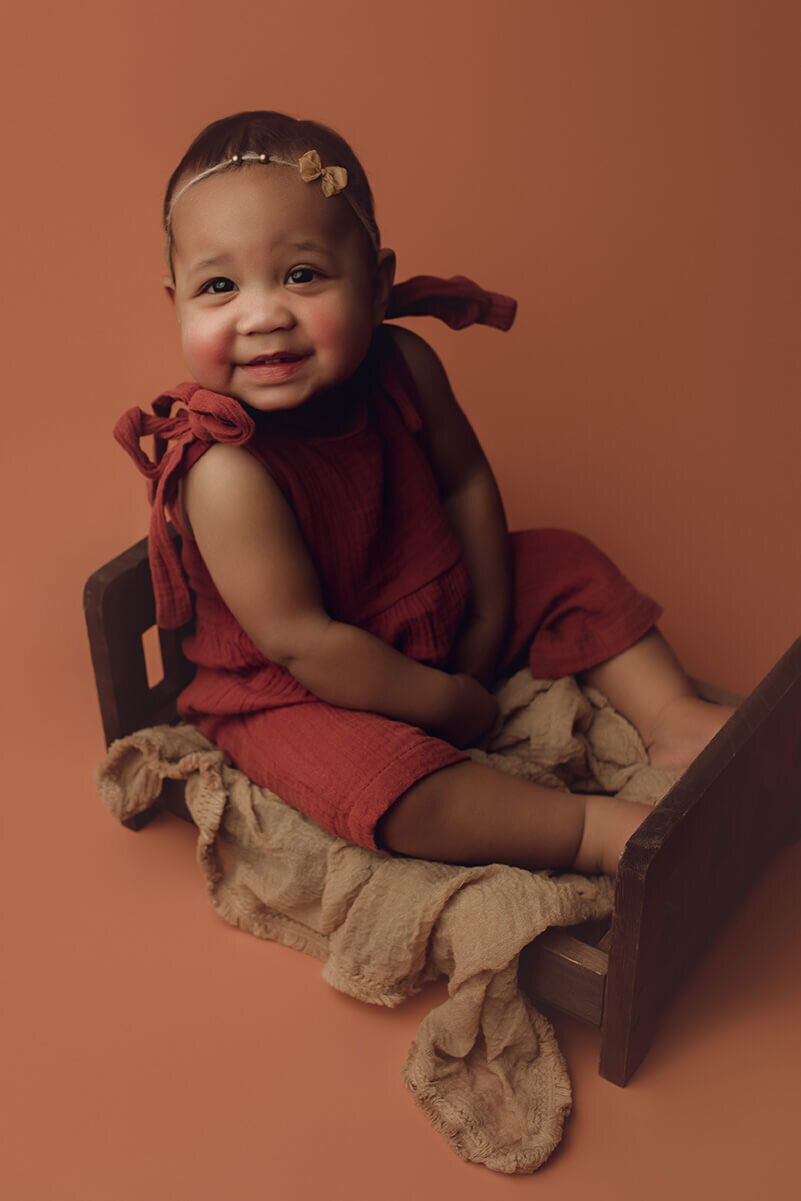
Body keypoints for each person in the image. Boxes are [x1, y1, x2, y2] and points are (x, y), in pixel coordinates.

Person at [115, 110, 737, 878]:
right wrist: (447, 705)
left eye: (302, 274)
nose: (264, 314)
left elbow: (465, 479)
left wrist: (485, 617)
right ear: (175, 301)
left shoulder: (403, 361)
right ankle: (587, 829)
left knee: (562, 559)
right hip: (299, 686)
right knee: (381, 786)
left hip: (421, 602)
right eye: (219, 286)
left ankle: (670, 714)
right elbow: (301, 640)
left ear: (375, 284)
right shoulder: (226, 470)